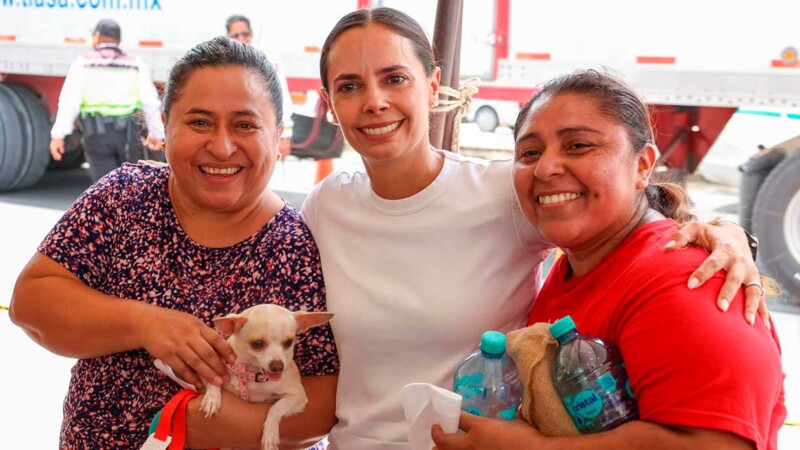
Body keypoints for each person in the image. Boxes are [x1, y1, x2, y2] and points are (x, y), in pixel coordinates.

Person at [179, 8, 771, 450]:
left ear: (434, 87)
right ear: (330, 104)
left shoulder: (507, 191)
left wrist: (721, 232)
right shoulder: (325, 207)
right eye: (350, 87)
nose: (375, 102)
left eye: (395, 79)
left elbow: (612, 216)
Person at [9, 36, 338, 449]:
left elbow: (321, 408)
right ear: (164, 127)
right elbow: (32, 304)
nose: (221, 146)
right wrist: (145, 322)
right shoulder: (123, 196)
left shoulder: (296, 247)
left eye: (245, 125)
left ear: (278, 136)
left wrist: (199, 420)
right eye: (199, 122)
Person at [432, 71, 785, 449]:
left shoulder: (688, 280)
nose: (546, 168)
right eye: (530, 153)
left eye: (579, 145)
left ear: (643, 165)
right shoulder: (578, 262)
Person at [49, 18, 165, 181]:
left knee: (104, 187)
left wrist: (58, 136)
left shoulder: (83, 64)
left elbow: (69, 102)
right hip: (128, 136)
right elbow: (150, 102)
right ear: (119, 40)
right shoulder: (135, 64)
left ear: (97, 37)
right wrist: (156, 133)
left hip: (96, 135)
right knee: (129, 186)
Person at [226, 14, 294, 158]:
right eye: (235, 35)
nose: (241, 39)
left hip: (262, 133)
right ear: (227, 36)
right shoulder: (222, 64)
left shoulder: (266, 60)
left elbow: (281, 95)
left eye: (245, 34)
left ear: (252, 34)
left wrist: (284, 135)